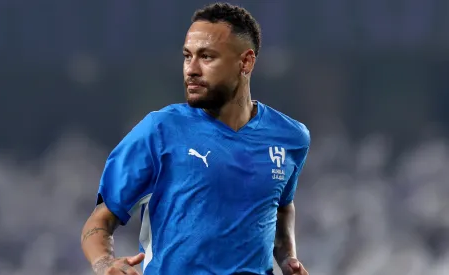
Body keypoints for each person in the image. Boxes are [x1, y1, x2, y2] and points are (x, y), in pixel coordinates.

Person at [81, 3, 310, 275]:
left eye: (207, 57)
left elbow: (281, 206)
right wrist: (104, 263)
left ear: (246, 62)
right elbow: (100, 220)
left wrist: (287, 258)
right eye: (187, 56)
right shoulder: (160, 130)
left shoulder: (291, 137)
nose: (191, 69)